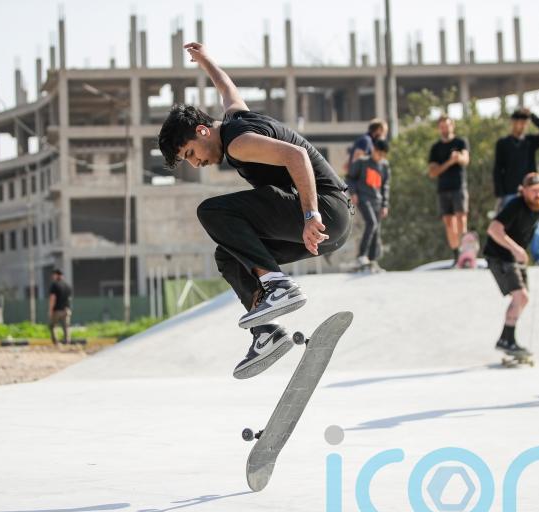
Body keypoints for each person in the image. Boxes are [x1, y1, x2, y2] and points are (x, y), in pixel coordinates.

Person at [158, 42, 353, 379]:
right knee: (228, 256)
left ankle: (278, 287)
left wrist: (310, 215)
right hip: (328, 231)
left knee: (212, 212)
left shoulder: (238, 141)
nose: (197, 163)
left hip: (325, 213)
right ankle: (266, 332)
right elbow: (226, 88)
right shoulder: (235, 119)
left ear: (202, 131)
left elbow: (298, 157)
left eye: (191, 153)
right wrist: (207, 61)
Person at [484, 173, 539, 356]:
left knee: (522, 299)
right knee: (520, 296)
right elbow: (493, 229)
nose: (538, 195)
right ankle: (507, 340)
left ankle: (506, 339)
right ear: (523, 191)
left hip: (514, 258)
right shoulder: (515, 205)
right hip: (499, 256)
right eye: (533, 191)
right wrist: (516, 249)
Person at [493, 108, 539, 265]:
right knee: (510, 224)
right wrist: (500, 193)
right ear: (513, 123)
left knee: (535, 222)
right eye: (519, 122)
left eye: (524, 122)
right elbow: (498, 169)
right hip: (511, 190)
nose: (521, 125)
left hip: (531, 189)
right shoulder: (503, 144)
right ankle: (511, 255)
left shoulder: (530, 142)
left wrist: (533, 116)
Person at [428, 115, 470, 265]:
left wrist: (458, 158)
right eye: (442, 126)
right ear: (439, 128)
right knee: (448, 222)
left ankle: (466, 252)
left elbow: (466, 160)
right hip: (443, 188)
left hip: (459, 186)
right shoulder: (435, 148)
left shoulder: (461, 142)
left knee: (461, 218)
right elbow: (432, 172)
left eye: (447, 125)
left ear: (453, 126)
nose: (445, 129)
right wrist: (449, 162)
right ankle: (456, 254)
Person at [348, 138, 390, 271]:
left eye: (383, 155)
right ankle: (362, 255)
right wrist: (353, 193)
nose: (380, 157)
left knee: (376, 231)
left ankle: (372, 260)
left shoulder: (384, 166)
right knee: (371, 223)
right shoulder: (362, 162)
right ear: (373, 150)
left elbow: (385, 187)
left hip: (377, 200)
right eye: (379, 153)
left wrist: (385, 205)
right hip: (363, 198)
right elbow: (350, 178)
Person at [48, 268, 72, 346]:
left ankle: (56, 342)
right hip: (66, 309)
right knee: (66, 327)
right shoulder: (67, 285)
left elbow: (53, 298)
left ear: (56, 275)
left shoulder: (54, 285)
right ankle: (67, 341)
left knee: (52, 326)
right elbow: (69, 298)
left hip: (57, 310)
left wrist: (50, 310)